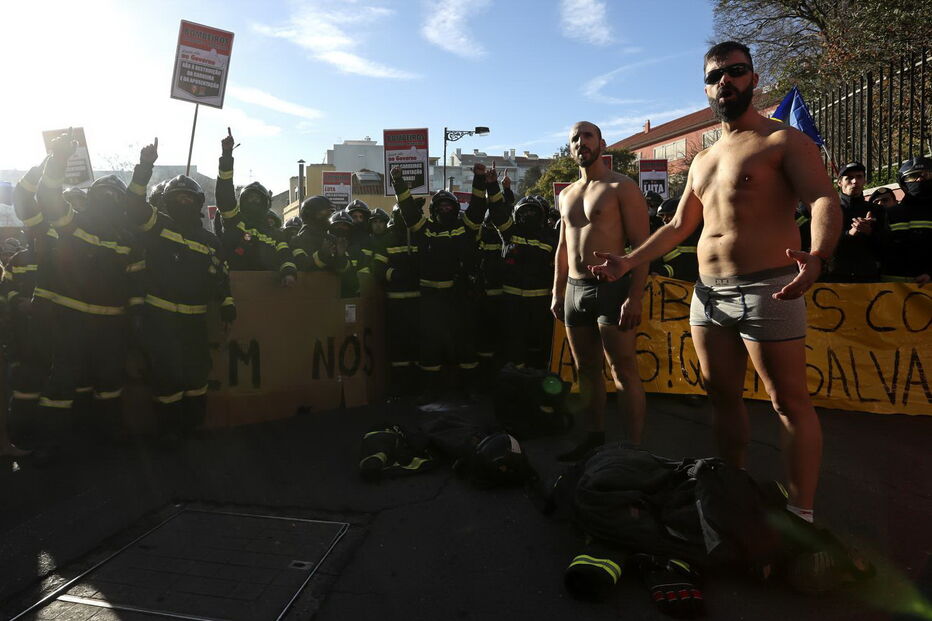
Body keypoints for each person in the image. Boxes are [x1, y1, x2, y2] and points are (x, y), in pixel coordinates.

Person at [591, 41, 841, 524]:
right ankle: (732, 491)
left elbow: (823, 200)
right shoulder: (704, 159)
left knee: (788, 400)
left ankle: (801, 511)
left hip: (770, 286)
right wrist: (626, 262)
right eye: (714, 75)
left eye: (735, 71)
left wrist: (818, 254)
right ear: (706, 87)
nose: (724, 81)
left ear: (753, 78)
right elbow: (679, 226)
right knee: (721, 397)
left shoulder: (783, 141)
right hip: (709, 295)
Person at [551, 121, 649, 461]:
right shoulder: (566, 194)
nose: (581, 143)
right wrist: (557, 291)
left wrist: (634, 295)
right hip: (575, 291)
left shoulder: (621, 187)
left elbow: (642, 246)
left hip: (613, 288)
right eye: (575, 138)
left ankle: (631, 449)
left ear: (601, 143)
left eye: (587, 136)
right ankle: (594, 438)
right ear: (570, 148)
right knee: (586, 370)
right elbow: (563, 246)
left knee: (623, 370)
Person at [126, 139, 236, 442]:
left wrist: (227, 304)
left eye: (190, 198)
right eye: (179, 197)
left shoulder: (210, 241)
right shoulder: (156, 225)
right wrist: (144, 167)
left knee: (197, 374)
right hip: (159, 319)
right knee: (167, 377)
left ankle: (192, 425)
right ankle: (169, 430)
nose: (185, 202)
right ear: (168, 200)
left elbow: (220, 276)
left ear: (198, 202)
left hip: (194, 320)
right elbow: (133, 206)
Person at [389, 164, 488, 402]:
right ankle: (430, 389)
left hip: (460, 296)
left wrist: (479, 179)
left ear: (455, 209)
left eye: (449, 205)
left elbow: (477, 209)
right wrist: (399, 182)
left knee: (465, 343)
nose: (446, 208)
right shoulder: (425, 230)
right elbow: (409, 212)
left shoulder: (466, 228)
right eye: (441, 206)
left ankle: (470, 388)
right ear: (434, 210)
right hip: (431, 299)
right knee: (430, 344)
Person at [215, 128, 296, 286]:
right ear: (243, 201)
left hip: (267, 293)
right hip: (234, 289)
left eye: (257, 198)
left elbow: (285, 256)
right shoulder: (234, 220)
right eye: (250, 198)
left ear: (265, 203)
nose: (253, 201)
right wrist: (226, 156)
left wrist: (289, 273)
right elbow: (224, 195)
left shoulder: (276, 235)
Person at [821, 162, 884, 282]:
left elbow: (887, 244)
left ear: (864, 181)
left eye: (859, 177)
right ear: (839, 183)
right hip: (835, 277)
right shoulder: (828, 209)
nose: (855, 181)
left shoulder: (877, 210)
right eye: (849, 178)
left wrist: (870, 232)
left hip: (868, 278)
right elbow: (821, 244)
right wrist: (850, 233)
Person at [879, 157, 931, 284]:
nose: (920, 179)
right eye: (913, 176)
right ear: (903, 183)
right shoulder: (890, 213)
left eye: (926, 175)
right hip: (894, 292)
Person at [649, 197, 701, 282]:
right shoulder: (665, 236)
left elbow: (687, 264)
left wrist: (663, 272)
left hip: (692, 284)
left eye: (669, 215)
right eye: (662, 216)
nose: (664, 219)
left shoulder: (696, 233)